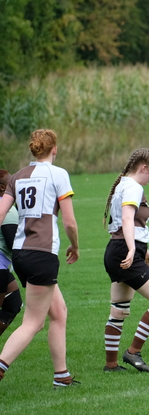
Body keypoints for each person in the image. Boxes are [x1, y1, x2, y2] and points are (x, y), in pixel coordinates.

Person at [0, 129, 80, 388]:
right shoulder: (59, 174)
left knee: (58, 312)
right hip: (42, 254)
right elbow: (69, 222)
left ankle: (61, 376)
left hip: (20, 253)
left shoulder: (18, 176)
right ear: (54, 148)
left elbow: (1, 213)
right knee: (33, 323)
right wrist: (75, 246)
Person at [103, 148, 149, 373]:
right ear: (143, 168)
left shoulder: (123, 184)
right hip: (125, 250)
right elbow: (126, 219)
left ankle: (111, 365)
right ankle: (133, 352)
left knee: (119, 310)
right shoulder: (133, 187)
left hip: (118, 249)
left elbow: (131, 225)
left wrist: (144, 251)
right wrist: (133, 249)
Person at [0, 170, 22, 338]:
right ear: (3, 187)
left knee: (13, 304)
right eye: (11, 183)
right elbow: (11, 242)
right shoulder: (7, 208)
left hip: (3, 266)